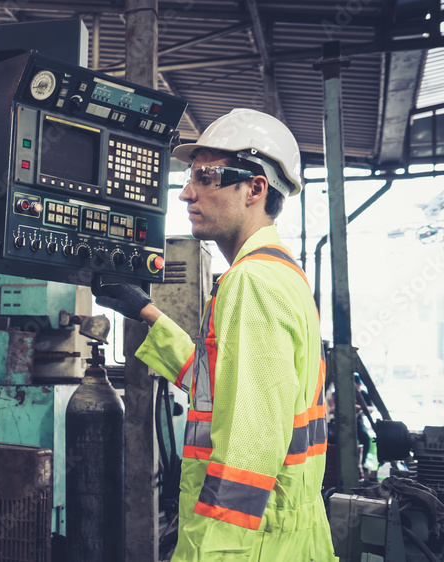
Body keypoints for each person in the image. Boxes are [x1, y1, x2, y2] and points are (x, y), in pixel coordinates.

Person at [96, 108, 337, 560]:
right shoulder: (280, 274)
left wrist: (211, 554)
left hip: (246, 545)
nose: (187, 192)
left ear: (255, 188)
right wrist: (145, 311)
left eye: (206, 177)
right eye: (190, 177)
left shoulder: (253, 283)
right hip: (282, 535)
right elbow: (226, 390)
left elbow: (249, 454)